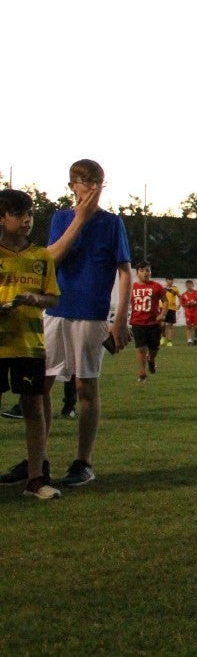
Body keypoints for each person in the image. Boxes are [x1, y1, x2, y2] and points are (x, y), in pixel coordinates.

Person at [39, 159, 131, 488]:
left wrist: (121, 319)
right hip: (55, 310)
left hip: (92, 314)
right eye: (86, 182)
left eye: (98, 182)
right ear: (72, 186)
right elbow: (52, 258)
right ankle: (38, 460)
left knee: (85, 387)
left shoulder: (112, 223)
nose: (93, 188)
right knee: (41, 385)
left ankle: (83, 462)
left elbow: (125, 271)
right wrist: (79, 218)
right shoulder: (61, 218)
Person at [0, 189, 61, 499]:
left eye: (30, 214)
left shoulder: (41, 256)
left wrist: (35, 299)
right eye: (19, 214)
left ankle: (36, 479)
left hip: (30, 344)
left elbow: (52, 298)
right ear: (2, 218)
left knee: (33, 408)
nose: (27, 220)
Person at [129, 261, 166, 382]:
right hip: (137, 323)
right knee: (140, 348)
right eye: (142, 270)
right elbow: (125, 302)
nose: (145, 273)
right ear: (137, 273)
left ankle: (151, 359)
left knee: (154, 348)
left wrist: (162, 314)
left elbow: (165, 301)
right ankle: (142, 373)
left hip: (154, 323)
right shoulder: (132, 287)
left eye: (148, 270)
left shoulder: (157, 286)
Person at [180, 280, 197, 345]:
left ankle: (196, 338)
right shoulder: (184, 295)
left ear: (193, 285)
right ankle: (189, 341)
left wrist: (195, 303)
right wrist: (188, 304)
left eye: (190, 285)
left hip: (195, 312)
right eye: (187, 285)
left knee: (196, 327)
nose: (189, 286)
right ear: (186, 286)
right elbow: (182, 304)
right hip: (188, 312)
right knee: (188, 326)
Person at [161, 277, 179, 347]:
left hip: (171, 308)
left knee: (170, 325)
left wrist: (179, 305)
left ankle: (169, 341)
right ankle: (163, 337)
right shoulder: (162, 288)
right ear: (166, 280)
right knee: (162, 324)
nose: (171, 281)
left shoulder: (175, 289)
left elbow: (180, 297)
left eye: (172, 280)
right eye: (169, 280)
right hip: (163, 308)